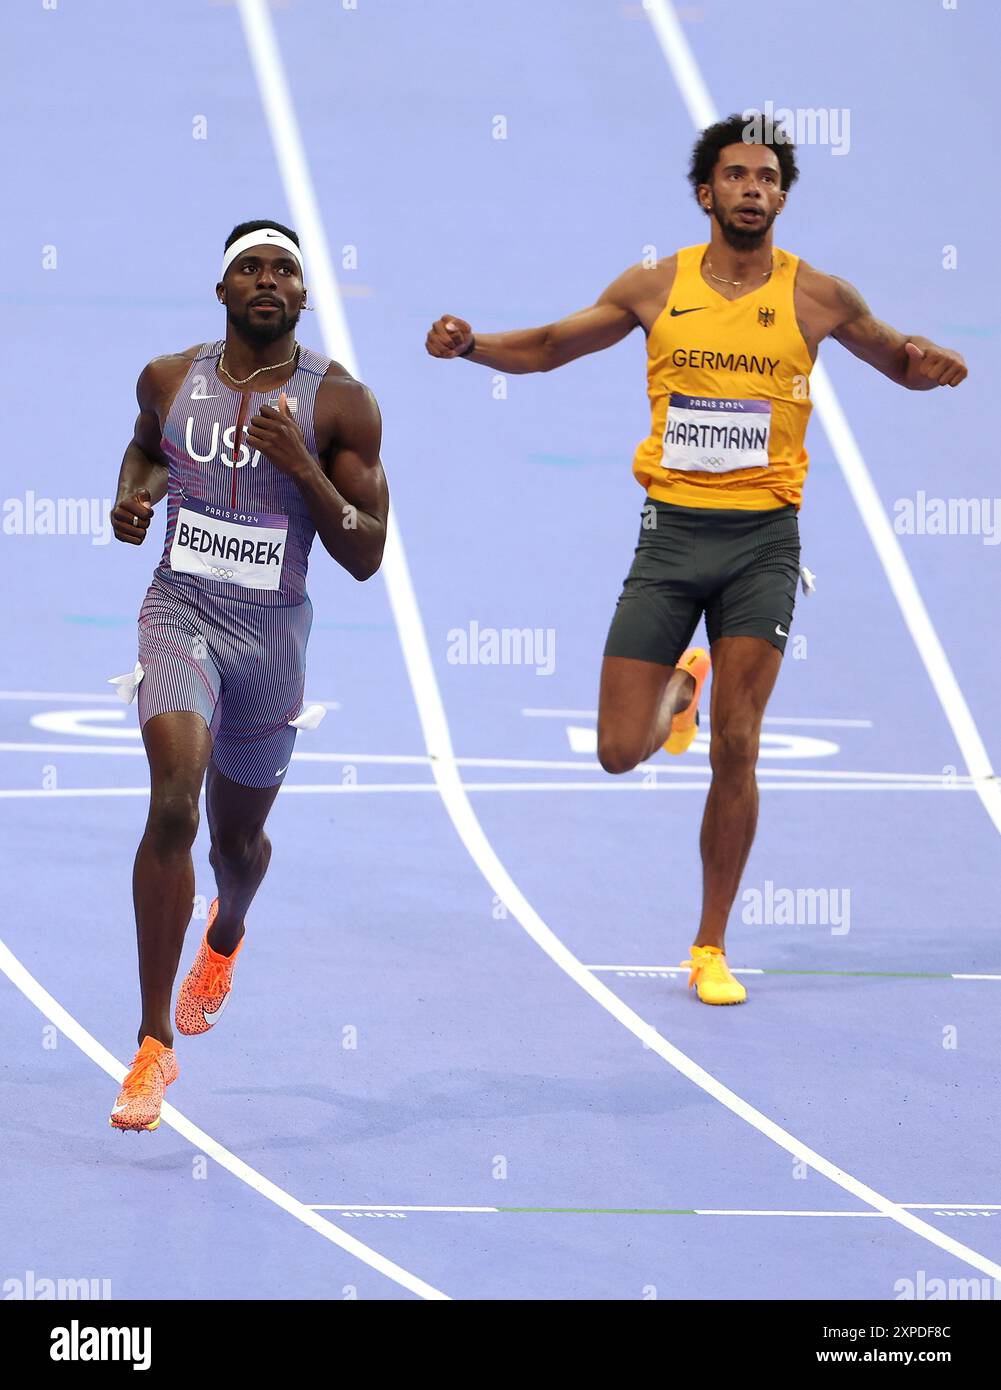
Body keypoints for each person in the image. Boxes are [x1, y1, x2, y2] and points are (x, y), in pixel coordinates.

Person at [426, 114, 966, 1006]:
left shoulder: (817, 297)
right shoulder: (652, 287)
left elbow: (893, 358)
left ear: (781, 197)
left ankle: (709, 945)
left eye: (766, 177)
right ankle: (678, 688)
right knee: (613, 752)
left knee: (738, 744)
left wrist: (928, 368)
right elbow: (555, 346)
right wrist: (473, 344)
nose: (752, 188)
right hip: (670, 538)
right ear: (705, 194)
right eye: (735, 175)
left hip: (763, 541)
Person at [107, 220, 388, 1130]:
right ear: (222, 291)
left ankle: (225, 930)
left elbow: (366, 554)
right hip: (178, 613)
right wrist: (137, 495)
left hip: (271, 644)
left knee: (235, 847)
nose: (267, 280)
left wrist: (301, 463)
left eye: (284, 270)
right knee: (171, 807)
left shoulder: (342, 405)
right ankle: (153, 1047)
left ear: (302, 296)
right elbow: (148, 445)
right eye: (248, 269)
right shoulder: (167, 378)